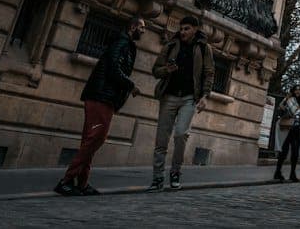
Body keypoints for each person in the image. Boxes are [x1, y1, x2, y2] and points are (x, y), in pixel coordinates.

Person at [56, 16, 144, 196]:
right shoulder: (122, 43)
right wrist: (131, 85)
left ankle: (82, 183)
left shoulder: (124, 43)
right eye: (142, 27)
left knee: (91, 140)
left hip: (103, 97)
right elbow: (113, 68)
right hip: (101, 97)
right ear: (133, 27)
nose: (143, 31)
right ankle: (66, 181)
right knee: (96, 139)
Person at [149, 16, 214, 191]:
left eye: (187, 29)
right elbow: (156, 70)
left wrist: (205, 96)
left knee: (180, 134)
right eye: (181, 28)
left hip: (189, 98)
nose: (183, 32)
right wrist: (167, 70)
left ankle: (175, 172)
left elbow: (209, 73)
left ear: (195, 29)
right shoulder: (171, 45)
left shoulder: (203, 47)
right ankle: (157, 178)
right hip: (169, 96)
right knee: (161, 139)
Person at [273, 89, 300, 182]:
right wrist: (286, 100)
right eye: (296, 90)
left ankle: (293, 173)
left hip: (296, 128)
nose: (297, 92)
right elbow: (280, 108)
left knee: (295, 151)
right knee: (283, 150)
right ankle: (277, 172)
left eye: (299, 91)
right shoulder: (288, 99)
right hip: (287, 128)